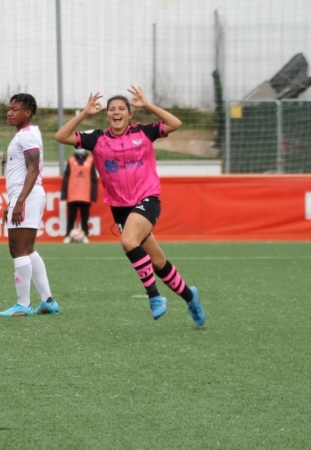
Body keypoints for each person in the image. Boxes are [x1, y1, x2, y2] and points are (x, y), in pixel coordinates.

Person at [54, 86, 206, 326]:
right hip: (121, 208)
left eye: (121, 109)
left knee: (128, 242)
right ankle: (190, 296)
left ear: (129, 114)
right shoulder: (97, 138)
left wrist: (148, 105)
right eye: (112, 109)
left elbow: (175, 123)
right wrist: (83, 114)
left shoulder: (144, 132)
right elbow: (61, 136)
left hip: (147, 199)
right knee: (158, 262)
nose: (116, 112)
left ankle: (154, 297)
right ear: (107, 116)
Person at [0, 93, 59, 317]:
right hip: (26, 195)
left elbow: (33, 169)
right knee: (28, 249)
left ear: (28, 113)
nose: (10, 112)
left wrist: (20, 201)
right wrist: (12, 201)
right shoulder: (25, 134)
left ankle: (23, 304)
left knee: (18, 249)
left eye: (15, 109)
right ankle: (48, 301)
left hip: (29, 196)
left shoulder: (27, 136)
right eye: (9, 108)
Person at [61, 148, 98, 243]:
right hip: (72, 195)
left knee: (85, 218)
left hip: (85, 195)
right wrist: (64, 193)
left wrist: (94, 195)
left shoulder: (90, 161)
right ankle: (68, 235)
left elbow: (94, 180)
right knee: (71, 218)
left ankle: (85, 234)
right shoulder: (71, 160)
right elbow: (66, 178)